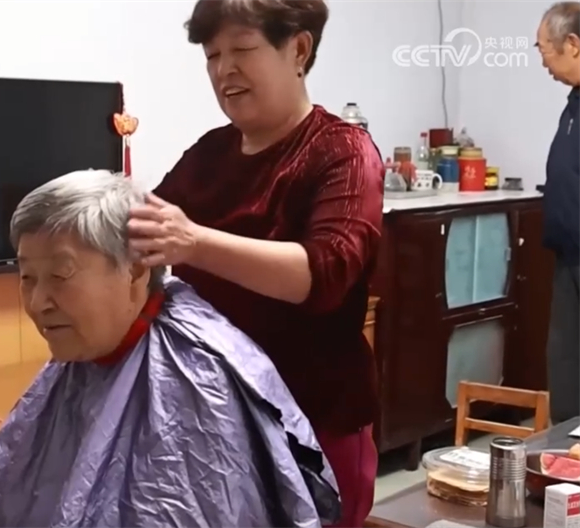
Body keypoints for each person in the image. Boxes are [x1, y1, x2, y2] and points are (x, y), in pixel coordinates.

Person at [0, 170, 340, 528]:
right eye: (27, 277)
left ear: (134, 268)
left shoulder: (196, 378)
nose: (37, 302)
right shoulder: (85, 348)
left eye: (61, 275)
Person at [127, 0, 383, 526]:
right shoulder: (210, 154)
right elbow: (146, 226)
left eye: (242, 49)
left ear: (299, 49)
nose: (224, 70)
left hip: (315, 427)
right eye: (212, 55)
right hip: (220, 421)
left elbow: (325, 273)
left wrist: (194, 242)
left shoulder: (344, 151)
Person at [536, 1, 579, 424]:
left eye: (544, 49)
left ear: (573, 44)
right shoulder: (573, 103)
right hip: (568, 258)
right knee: (566, 373)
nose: (542, 61)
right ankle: (567, 456)